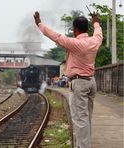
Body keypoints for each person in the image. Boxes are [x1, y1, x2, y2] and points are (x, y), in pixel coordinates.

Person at [33, 11, 103, 148]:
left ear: (75, 30)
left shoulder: (74, 43)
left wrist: (39, 24)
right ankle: (85, 144)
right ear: (86, 29)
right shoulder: (94, 41)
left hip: (79, 84)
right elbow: (99, 33)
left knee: (80, 119)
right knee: (87, 117)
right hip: (91, 82)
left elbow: (56, 36)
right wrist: (96, 22)